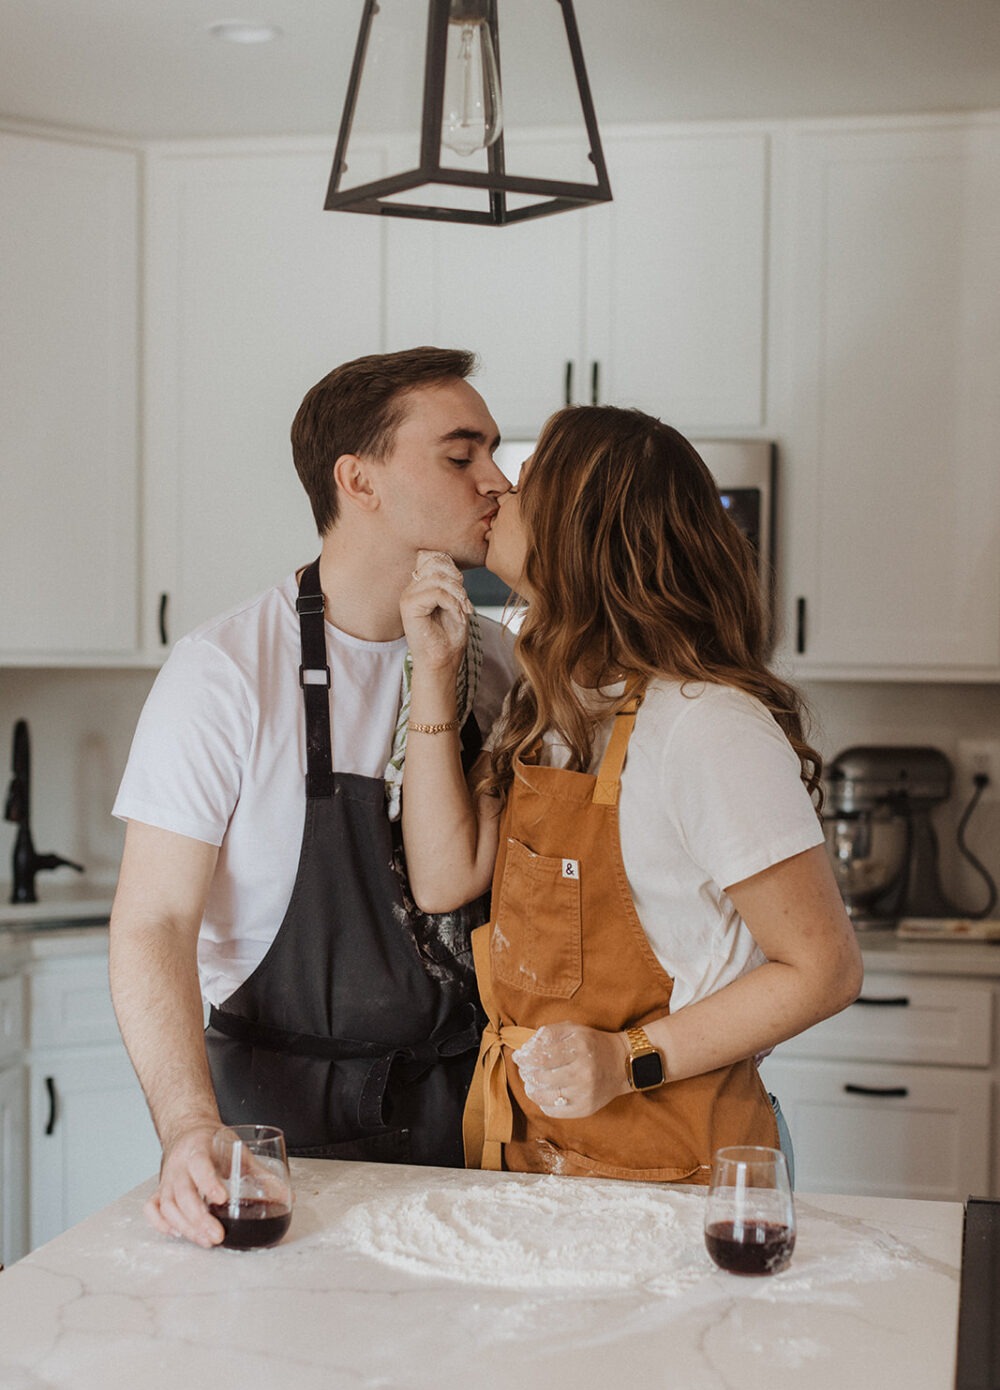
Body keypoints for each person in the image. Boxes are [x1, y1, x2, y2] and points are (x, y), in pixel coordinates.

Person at [109, 347, 516, 1247]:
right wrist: (186, 1126)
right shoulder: (225, 674)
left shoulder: (496, 664)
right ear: (357, 479)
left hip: (476, 1126)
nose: (497, 479)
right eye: (461, 455)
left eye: (493, 452)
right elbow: (153, 924)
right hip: (284, 1143)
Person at [399, 403, 863, 1182]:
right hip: (534, 1156)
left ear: (582, 529)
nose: (501, 489)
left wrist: (627, 1058)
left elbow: (824, 968)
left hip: (672, 1165)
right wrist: (436, 676)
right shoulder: (543, 703)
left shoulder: (707, 726)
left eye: (529, 480)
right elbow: (446, 877)